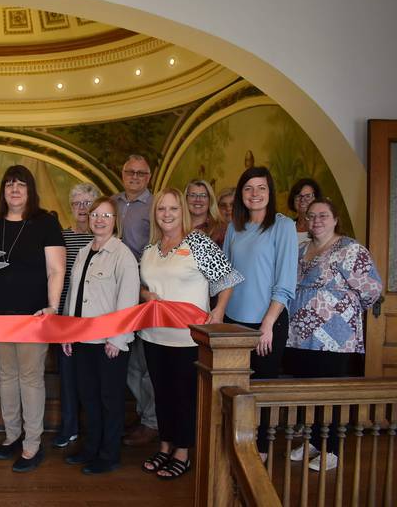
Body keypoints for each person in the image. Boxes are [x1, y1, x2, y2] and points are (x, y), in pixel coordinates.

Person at [139, 188, 242, 479]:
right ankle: (165, 445)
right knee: (161, 394)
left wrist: (218, 311)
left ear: (181, 211)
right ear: (155, 214)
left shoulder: (197, 242)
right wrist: (146, 294)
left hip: (187, 338)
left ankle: (182, 452)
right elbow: (143, 285)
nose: (167, 214)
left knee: (183, 396)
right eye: (161, 209)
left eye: (173, 209)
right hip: (153, 336)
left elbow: (227, 279)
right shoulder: (150, 249)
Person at [0, 164, 65, 473]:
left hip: (33, 315)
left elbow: (56, 270)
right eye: (9, 185)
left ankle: (32, 444)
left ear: (30, 191)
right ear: (3, 191)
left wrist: (52, 307)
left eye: (21, 185)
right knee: (7, 377)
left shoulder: (45, 223)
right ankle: (12, 435)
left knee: (30, 378)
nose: (15, 190)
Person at [285, 197, 382, 471]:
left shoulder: (350, 250)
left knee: (331, 391)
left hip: (336, 336)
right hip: (301, 334)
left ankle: (333, 450)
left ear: (335, 219)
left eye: (323, 215)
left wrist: (338, 309)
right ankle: (314, 441)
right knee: (308, 390)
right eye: (312, 216)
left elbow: (372, 289)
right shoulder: (302, 248)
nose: (316, 221)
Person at [61, 196, 139, 475]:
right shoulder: (83, 253)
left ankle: (109, 454)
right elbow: (73, 297)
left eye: (106, 216)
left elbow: (128, 301)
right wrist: (68, 333)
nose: (99, 220)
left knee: (110, 399)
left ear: (115, 221)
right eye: (95, 214)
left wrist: (117, 339)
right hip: (82, 340)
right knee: (89, 398)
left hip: (109, 344)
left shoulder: (123, 255)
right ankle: (91, 447)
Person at [223, 166, 297, 457]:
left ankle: (260, 449)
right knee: (235, 389)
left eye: (261, 188)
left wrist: (267, 323)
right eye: (248, 188)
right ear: (241, 194)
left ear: (270, 192)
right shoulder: (234, 227)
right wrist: (219, 313)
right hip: (233, 322)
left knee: (262, 388)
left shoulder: (283, 226)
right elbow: (226, 276)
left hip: (268, 322)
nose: (255, 194)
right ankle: (236, 441)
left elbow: (285, 280)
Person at [111, 154, 158, 447]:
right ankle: (143, 413)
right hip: (114, 292)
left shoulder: (155, 207)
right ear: (122, 173)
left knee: (144, 361)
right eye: (130, 172)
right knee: (126, 360)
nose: (135, 177)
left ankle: (151, 421)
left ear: (149, 177)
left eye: (141, 173)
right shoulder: (112, 204)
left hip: (143, 291)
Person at [51, 182, 99, 449]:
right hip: (66, 316)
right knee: (67, 377)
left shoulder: (102, 238)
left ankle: (93, 431)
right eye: (77, 203)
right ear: (70, 207)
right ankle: (68, 428)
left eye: (87, 203)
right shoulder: (62, 237)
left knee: (91, 377)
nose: (82, 208)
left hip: (94, 318)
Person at [185, 179, 226, 246]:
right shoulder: (176, 227)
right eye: (193, 195)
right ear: (185, 199)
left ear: (210, 200)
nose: (198, 199)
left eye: (203, 195)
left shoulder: (220, 229)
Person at [287, 178, 322, 245]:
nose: (302, 200)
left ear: (317, 199)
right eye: (298, 196)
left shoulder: (322, 227)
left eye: (308, 196)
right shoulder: (286, 228)